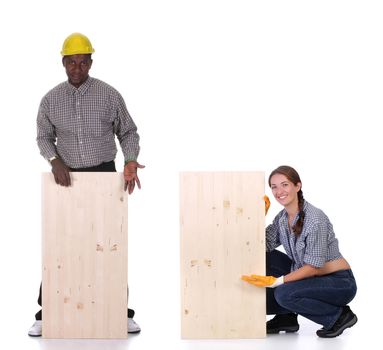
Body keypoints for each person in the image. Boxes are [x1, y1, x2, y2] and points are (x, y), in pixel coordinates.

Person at [28, 33, 144, 336]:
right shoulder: (51, 99)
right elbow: (43, 136)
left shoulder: (109, 95)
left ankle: (120, 312)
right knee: (60, 245)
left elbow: (128, 132)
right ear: (63, 63)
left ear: (90, 62)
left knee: (108, 242)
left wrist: (130, 160)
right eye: (71, 61)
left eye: (83, 60)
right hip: (64, 178)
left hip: (105, 174)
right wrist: (54, 160)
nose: (77, 66)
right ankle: (45, 313)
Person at [242, 165, 357, 338]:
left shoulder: (315, 219)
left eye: (285, 184)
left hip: (338, 283)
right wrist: (258, 217)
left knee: (282, 294)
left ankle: (339, 316)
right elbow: (259, 246)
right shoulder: (282, 218)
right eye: (274, 187)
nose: (279, 191)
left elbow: (313, 268)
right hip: (309, 277)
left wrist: (277, 281)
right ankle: (286, 317)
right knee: (266, 259)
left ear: (297, 186)